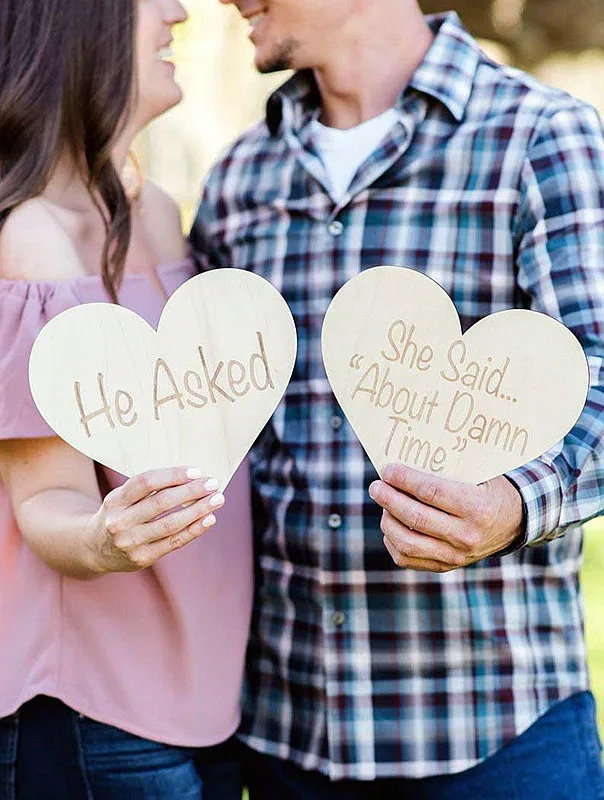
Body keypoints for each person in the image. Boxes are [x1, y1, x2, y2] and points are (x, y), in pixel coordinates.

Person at [191, 0, 604, 796]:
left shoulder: (538, 137)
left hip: (499, 737)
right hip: (288, 737)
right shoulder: (240, 179)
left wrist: (512, 505)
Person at [0, 0, 251, 797]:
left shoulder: (156, 214)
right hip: (94, 707)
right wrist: (107, 539)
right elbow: (48, 499)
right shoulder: (34, 234)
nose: (178, 10)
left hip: (201, 693)